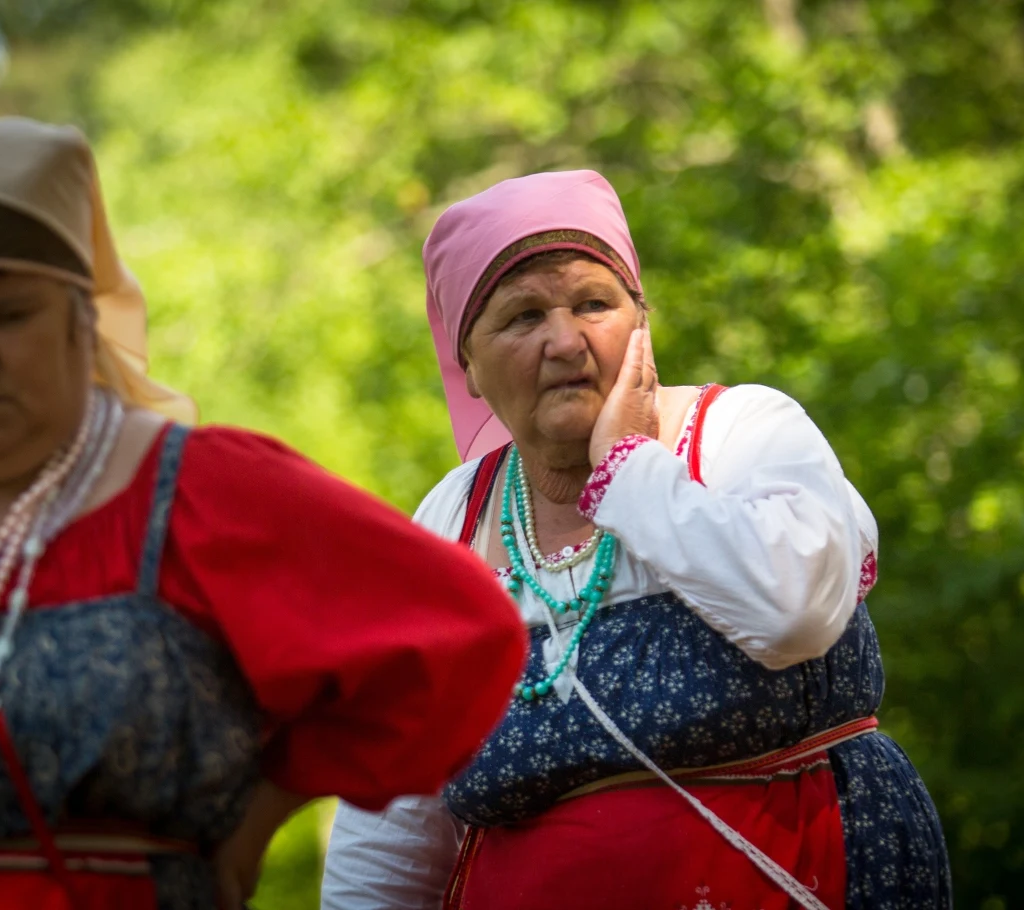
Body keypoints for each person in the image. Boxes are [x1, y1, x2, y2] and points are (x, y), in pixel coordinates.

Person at [0, 117, 527, 910]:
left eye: (7, 314)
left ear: (82, 318)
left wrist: (263, 812)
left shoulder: (197, 493)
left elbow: (465, 637)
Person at [321, 170, 951, 909]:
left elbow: (796, 611)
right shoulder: (454, 518)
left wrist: (628, 472)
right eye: (523, 318)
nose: (565, 341)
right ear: (469, 365)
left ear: (641, 320)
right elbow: (394, 807)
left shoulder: (741, 437)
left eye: (594, 303)